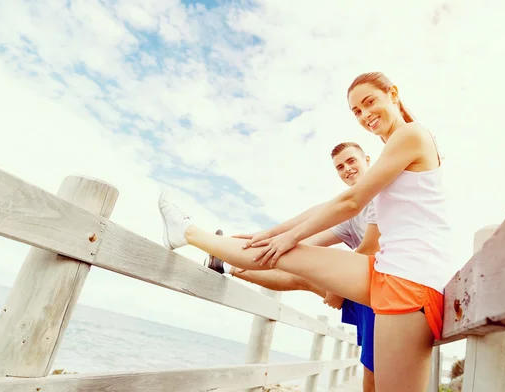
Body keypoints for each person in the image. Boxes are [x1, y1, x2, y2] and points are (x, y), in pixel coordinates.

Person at [158, 71, 453, 392]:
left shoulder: (412, 134)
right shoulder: (393, 148)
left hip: (412, 284)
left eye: (370, 103)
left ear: (393, 94)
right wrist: (273, 234)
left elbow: (351, 201)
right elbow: (325, 208)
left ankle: (193, 236)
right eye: (357, 111)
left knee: (287, 252)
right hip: (387, 271)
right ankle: (188, 233)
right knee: (282, 254)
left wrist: (289, 237)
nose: (365, 115)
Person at [203, 142, 379, 392]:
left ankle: (224, 262)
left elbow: (374, 247)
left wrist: (336, 288)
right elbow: (305, 243)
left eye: (352, 161)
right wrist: (262, 243)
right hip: (366, 291)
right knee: (299, 271)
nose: (347, 169)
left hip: (383, 290)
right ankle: (225, 264)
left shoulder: (379, 193)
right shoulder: (350, 217)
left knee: (374, 374)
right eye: (340, 167)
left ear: (367, 160)